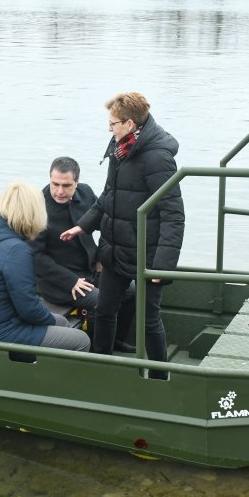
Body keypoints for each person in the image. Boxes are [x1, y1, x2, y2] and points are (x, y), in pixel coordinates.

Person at [61, 92, 185, 379]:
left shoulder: (158, 158)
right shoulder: (120, 148)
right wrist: (83, 225)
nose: (109, 128)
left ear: (130, 124)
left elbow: (173, 214)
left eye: (113, 123)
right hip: (115, 249)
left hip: (146, 254)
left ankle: (159, 377)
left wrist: (162, 265)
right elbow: (109, 196)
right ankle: (102, 368)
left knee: (149, 319)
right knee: (105, 309)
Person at [0, 182, 91, 352]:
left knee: (61, 322)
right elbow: (28, 308)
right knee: (81, 340)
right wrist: (50, 322)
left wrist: (53, 322)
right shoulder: (16, 249)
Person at [30, 156, 136, 353]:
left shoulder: (86, 193)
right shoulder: (38, 206)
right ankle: (97, 353)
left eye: (66, 185)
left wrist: (100, 258)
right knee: (100, 301)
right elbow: (36, 257)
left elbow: (107, 224)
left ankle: (116, 340)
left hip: (90, 269)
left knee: (130, 289)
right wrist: (71, 281)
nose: (59, 191)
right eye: (55, 184)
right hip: (60, 281)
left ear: (76, 183)